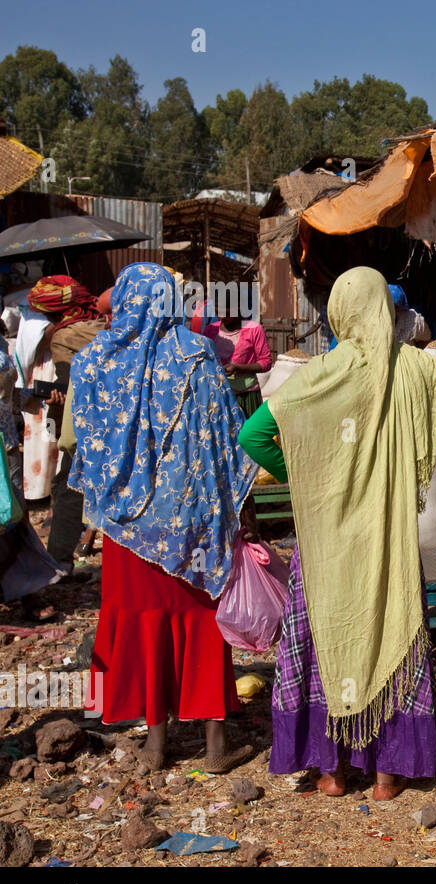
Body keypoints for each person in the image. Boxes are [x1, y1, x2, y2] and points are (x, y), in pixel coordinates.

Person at [238, 266, 436, 800]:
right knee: (391, 634)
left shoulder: (318, 375)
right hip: (391, 545)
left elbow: (253, 434)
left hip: (325, 543)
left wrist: (304, 476)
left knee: (327, 639)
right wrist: (423, 459)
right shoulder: (417, 370)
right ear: (388, 311)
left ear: (337, 312)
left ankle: (331, 771)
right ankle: (387, 774)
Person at [68, 262, 260, 773]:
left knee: (143, 623)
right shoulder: (194, 356)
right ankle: (216, 745)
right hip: (192, 526)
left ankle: (155, 743)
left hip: (127, 532)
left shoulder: (93, 363)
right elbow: (229, 444)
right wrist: (243, 515)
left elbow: (86, 449)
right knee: (200, 620)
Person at [28, 276, 109, 568]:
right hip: (119, 421)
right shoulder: (105, 325)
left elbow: (66, 384)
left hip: (85, 425)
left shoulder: (64, 337)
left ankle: (59, 561)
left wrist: (53, 397)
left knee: (68, 487)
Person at [0, 337, 64, 609]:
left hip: (6, 445)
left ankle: (28, 591)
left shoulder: (1, 343)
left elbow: (7, 397)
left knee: (12, 517)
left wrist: (37, 394)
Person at [204, 308, 272, 418]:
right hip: (219, 395)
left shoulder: (254, 329)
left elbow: (266, 362)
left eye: (226, 312)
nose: (221, 317)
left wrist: (238, 368)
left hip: (247, 396)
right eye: (217, 312)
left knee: (247, 433)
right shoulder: (211, 330)